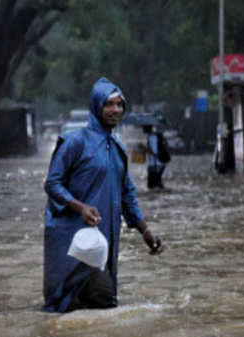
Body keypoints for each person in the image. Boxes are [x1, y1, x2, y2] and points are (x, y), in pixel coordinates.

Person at [43, 77, 164, 313]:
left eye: (120, 105)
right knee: (69, 306)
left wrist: (145, 231)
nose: (115, 110)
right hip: (71, 243)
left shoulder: (117, 148)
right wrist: (80, 208)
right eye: (109, 104)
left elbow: (127, 194)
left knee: (102, 304)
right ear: (97, 106)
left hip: (101, 243)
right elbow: (52, 183)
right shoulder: (74, 142)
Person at [143, 124, 166, 189]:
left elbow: (152, 151)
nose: (143, 130)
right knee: (157, 184)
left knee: (151, 186)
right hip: (160, 163)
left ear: (147, 129)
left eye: (144, 128)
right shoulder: (157, 136)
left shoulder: (151, 137)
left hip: (154, 164)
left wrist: (143, 148)